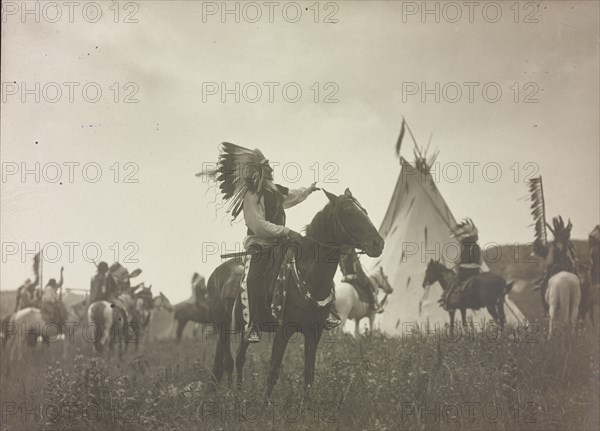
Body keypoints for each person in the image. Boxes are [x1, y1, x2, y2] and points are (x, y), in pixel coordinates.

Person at [202, 142, 340, 343]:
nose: (272, 169)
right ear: (260, 170)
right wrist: (286, 231)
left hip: (280, 242)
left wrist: (308, 190)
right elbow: (258, 225)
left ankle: (326, 312)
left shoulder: (273, 191)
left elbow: (291, 195)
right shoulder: (252, 195)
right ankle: (252, 325)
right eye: (267, 167)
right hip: (260, 245)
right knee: (253, 277)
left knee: (314, 262)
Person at [538, 216, 578, 314]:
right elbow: (574, 260)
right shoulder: (570, 245)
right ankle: (580, 309)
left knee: (543, 286)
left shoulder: (554, 246)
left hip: (555, 272)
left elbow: (549, 263)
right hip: (570, 270)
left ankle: (546, 310)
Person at [441, 218, 482, 310]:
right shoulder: (475, 246)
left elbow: (465, 261)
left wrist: (459, 265)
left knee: (452, 284)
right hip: (476, 271)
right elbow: (479, 261)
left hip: (466, 271)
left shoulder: (465, 247)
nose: (459, 240)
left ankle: (449, 303)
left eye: (460, 238)